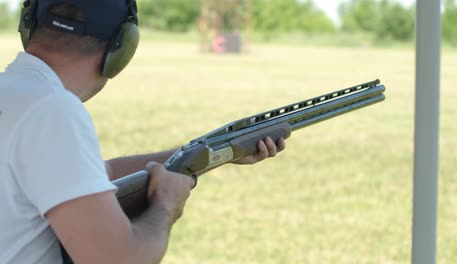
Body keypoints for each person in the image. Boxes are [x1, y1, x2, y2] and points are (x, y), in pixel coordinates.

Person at [0, 0, 285, 263]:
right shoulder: (53, 110)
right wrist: (165, 206)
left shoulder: (16, 97)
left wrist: (207, 151)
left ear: (28, 23)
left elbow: (95, 174)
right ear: (121, 48)